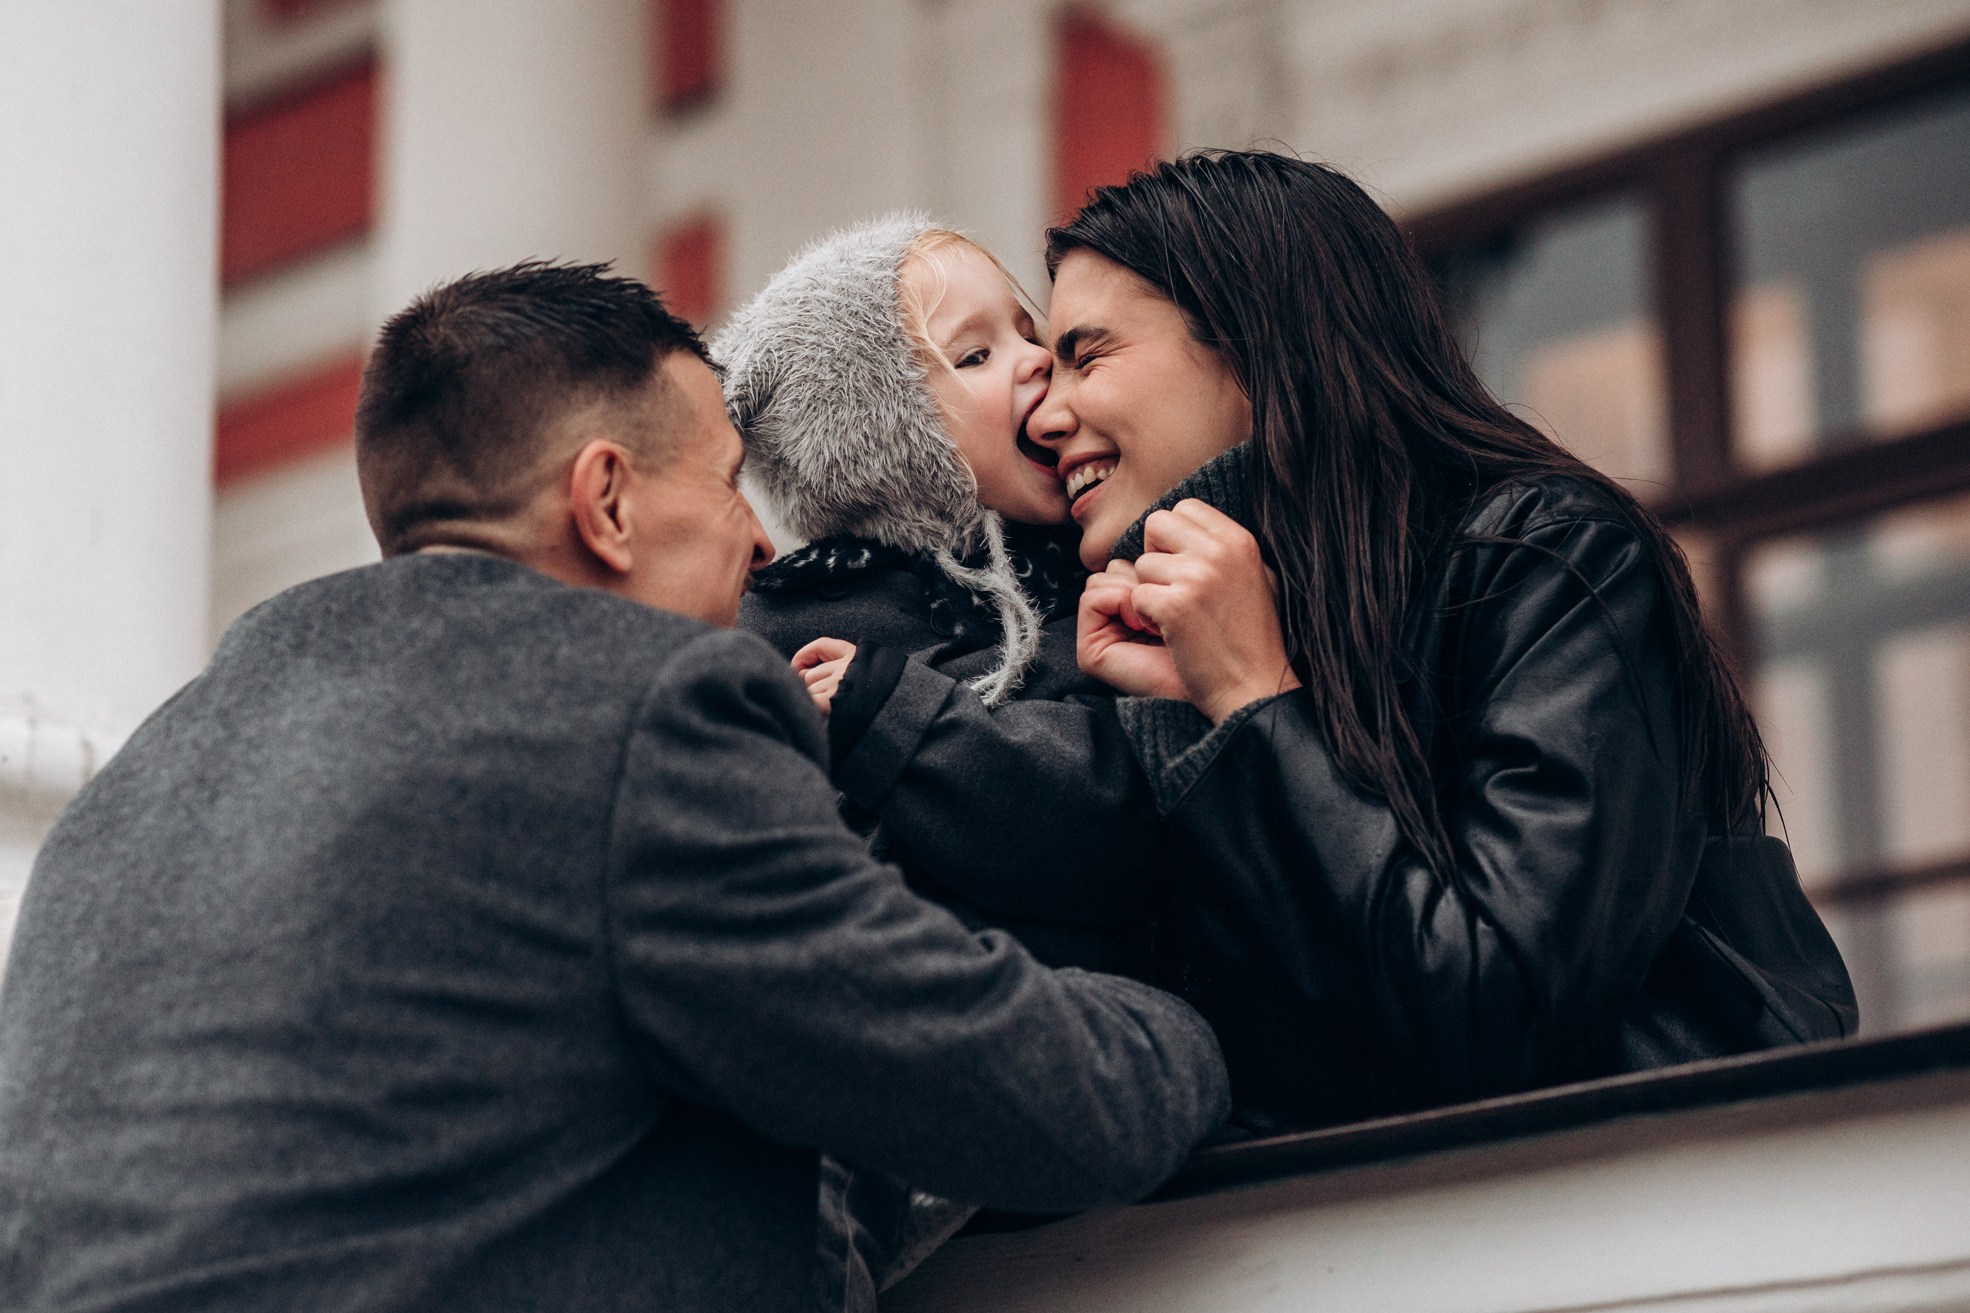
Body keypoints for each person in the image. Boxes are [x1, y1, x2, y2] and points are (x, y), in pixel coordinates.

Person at [0, 261, 1230, 1312]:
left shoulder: (146, 773)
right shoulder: (638, 710)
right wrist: (1188, 1012)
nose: (759, 545)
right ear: (605, 499)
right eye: (725, 478)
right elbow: (1034, 1097)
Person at [1029, 151, 1856, 1136]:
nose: (1044, 412)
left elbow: (1499, 1012)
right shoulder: (1176, 645)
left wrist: (1254, 705)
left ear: (1253, 346)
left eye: (1086, 356)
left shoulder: (1548, 556)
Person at [718, 215, 1166, 1307]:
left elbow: (1123, 808)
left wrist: (891, 716)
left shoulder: (1089, 589)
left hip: (1061, 1106)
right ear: (871, 429)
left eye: (1032, 332)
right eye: (974, 354)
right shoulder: (779, 636)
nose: (1037, 365)